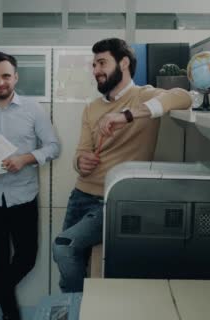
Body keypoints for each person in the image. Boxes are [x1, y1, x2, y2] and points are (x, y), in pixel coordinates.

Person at [52, 38, 192, 293]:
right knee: (72, 258)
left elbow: (183, 97)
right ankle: (77, 306)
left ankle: (78, 306)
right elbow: (81, 152)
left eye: (102, 62)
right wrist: (80, 162)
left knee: (63, 246)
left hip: (113, 199)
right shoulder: (92, 108)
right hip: (81, 195)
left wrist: (126, 115)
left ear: (124, 62)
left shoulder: (143, 95)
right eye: (94, 64)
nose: (96, 70)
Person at [0, 52, 60, 320]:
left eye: (6, 75)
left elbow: (53, 147)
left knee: (26, 258)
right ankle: (10, 314)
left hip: (24, 196)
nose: (0, 82)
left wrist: (26, 159)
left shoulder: (33, 109)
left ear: (15, 77)